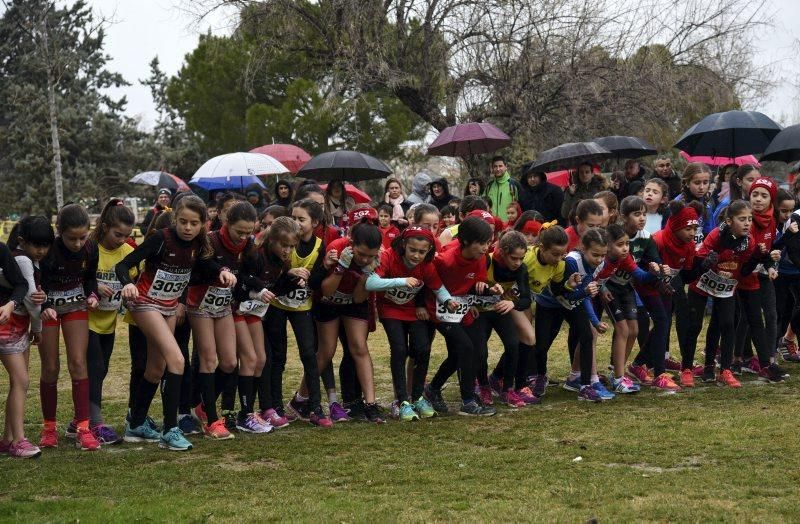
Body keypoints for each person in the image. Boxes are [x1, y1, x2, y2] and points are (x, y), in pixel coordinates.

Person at [118, 195, 236, 451]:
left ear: (203, 224)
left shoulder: (199, 242)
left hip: (169, 306)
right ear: (174, 219)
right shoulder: (161, 238)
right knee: (177, 360)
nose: (187, 228)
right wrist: (127, 282)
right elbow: (124, 264)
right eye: (183, 222)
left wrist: (221, 272)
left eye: (194, 223)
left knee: (155, 369)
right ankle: (170, 430)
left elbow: (206, 263)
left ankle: (135, 423)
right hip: (146, 302)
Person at [365, 226, 449, 420]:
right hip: (390, 310)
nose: (417, 255)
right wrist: (401, 281)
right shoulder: (388, 256)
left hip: (413, 312)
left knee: (422, 348)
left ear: (429, 250)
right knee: (399, 349)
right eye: (413, 250)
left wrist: (448, 300)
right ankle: (402, 401)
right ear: (404, 245)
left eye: (422, 251)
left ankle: (419, 397)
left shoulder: (426, 265)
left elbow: (438, 287)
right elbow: (370, 283)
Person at [263, 199, 333, 425]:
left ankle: (315, 408)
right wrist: (290, 274)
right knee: (278, 357)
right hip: (277, 305)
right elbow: (271, 279)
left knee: (309, 356)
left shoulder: (320, 245)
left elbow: (317, 280)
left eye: (301, 219)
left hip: (303, 306)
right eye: (293, 217)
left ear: (314, 222)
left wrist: (325, 267)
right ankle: (275, 407)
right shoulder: (277, 244)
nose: (296, 222)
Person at [38, 204, 101, 451]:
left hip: (75, 306)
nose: (77, 243)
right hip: (49, 308)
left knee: (78, 363)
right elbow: (38, 281)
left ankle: (83, 428)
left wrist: (92, 294)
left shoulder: (90, 247)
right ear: (59, 232)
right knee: (51, 366)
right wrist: (43, 306)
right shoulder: (49, 251)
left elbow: (90, 276)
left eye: (82, 237)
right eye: (71, 238)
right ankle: (49, 428)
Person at [683, 200, 765, 388]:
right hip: (702, 283)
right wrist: (712, 265)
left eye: (750, 219)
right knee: (695, 325)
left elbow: (744, 272)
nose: (747, 223)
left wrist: (758, 258)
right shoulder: (716, 236)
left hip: (726, 286)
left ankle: (723, 370)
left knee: (727, 324)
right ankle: (686, 369)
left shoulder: (749, 242)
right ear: (729, 221)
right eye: (742, 219)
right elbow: (699, 262)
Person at [423, 217, 498, 417]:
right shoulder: (444, 260)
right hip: (438, 310)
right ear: (465, 242)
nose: (485, 248)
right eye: (481, 243)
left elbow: (476, 280)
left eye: (488, 243)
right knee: (466, 347)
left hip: (462, 308)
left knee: (463, 352)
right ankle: (468, 401)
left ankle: (433, 389)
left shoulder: (482, 257)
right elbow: (427, 280)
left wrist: (485, 290)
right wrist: (423, 306)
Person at [532, 227, 606, 402]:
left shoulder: (600, 263)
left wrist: (594, 321)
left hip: (571, 301)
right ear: (583, 248)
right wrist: (585, 292)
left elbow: (582, 295)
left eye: (603, 255)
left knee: (587, 336)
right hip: (550, 302)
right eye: (595, 255)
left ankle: (585, 385)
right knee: (542, 344)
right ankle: (540, 376)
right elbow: (566, 293)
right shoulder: (572, 261)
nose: (599, 259)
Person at [617, 196, 681, 391]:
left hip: (637, 281)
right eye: (637, 214)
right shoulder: (615, 235)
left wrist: (659, 270)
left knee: (662, 319)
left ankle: (657, 372)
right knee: (622, 329)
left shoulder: (646, 236)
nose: (642, 218)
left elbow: (653, 260)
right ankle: (610, 373)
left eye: (644, 214)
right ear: (623, 216)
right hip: (612, 287)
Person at [86, 199, 136, 445]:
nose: (122, 240)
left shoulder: (127, 253)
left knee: (102, 370)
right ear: (105, 227)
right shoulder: (90, 247)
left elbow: (137, 278)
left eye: (127, 235)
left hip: (109, 322)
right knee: (94, 367)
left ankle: (80, 419)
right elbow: (76, 277)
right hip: (86, 320)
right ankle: (95, 423)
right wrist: (95, 286)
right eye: (118, 234)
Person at [0, 218, 50, 458]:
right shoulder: (22, 259)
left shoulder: (20, 256)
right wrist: (38, 327)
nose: (41, 250)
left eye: (46, 245)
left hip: (18, 323)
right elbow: (30, 297)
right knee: (21, 381)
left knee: (18, 382)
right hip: (7, 325)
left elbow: (24, 290)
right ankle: (18, 440)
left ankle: (9, 438)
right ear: (22, 242)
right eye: (36, 245)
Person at [593, 223, 660, 394]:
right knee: (622, 329)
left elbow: (640, 276)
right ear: (608, 246)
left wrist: (653, 272)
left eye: (627, 244)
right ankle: (618, 378)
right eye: (620, 245)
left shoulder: (626, 257)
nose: (625, 248)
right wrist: (602, 289)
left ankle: (619, 372)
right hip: (610, 292)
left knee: (634, 330)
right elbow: (593, 278)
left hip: (625, 290)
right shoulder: (603, 260)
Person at [472, 231, 532, 408]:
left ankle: (507, 389)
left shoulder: (521, 269)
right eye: (514, 258)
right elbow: (466, 285)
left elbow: (526, 298)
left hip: (499, 310)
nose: (518, 263)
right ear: (503, 252)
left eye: (521, 258)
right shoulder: (485, 260)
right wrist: (480, 292)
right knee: (481, 351)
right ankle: (483, 385)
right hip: (480, 312)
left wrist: (512, 304)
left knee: (514, 344)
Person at [733, 178, 784, 381]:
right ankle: (736, 359)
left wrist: (771, 265)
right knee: (745, 319)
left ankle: (770, 359)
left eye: (764, 196)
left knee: (771, 315)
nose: (758, 200)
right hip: (745, 275)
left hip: (762, 274)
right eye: (755, 194)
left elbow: (769, 249)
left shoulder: (772, 220)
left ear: (771, 199)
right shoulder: (745, 219)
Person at [484, 156, 522, 221]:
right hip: (492, 225)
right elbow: (484, 205)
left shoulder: (514, 185)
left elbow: (521, 206)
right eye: (495, 166)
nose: (498, 169)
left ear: (506, 167)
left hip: (509, 226)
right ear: (492, 168)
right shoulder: (489, 186)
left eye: (500, 166)